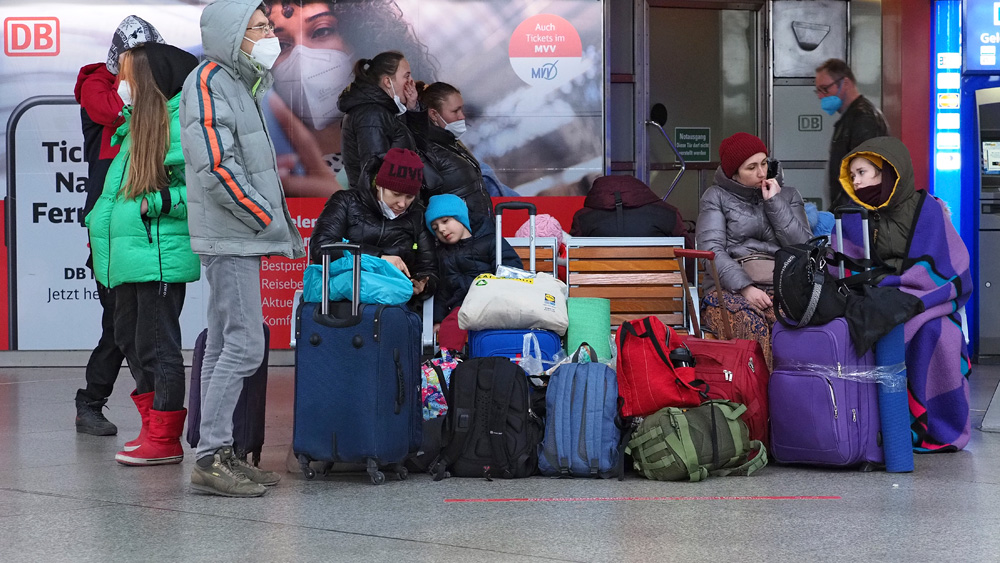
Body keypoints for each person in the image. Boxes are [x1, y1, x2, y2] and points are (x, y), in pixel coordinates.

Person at [180, 0, 306, 497]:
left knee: (225, 342)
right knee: (247, 344)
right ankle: (212, 457)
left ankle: (217, 450)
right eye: (258, 27)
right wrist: (262, 216)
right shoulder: (208, 82)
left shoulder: (239, 83)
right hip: (232, 234)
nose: (269, 34)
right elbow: (215, 165)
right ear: (231, 34)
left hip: (235, 233)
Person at [86, 43, 200, 466]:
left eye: (127, 77)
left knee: (157, 346)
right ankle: (152, 429)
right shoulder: (135, 126)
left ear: (150, 81)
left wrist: (163, 201)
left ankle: (165, 438)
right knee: (129, 340)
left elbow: (203, 190)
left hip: (158, 254)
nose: (121, 86)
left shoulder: (182, 126)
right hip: (129, 255)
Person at [838, 136, 972, 452]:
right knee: (879, 325)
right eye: (853, 175)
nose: (856, 182)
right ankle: (885, 425)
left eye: (863, 173)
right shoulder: (852, 217)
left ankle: (936, 426)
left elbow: (952, 266)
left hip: (927, 300)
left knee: (941, 336)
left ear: (887, 173)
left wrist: (904, 288)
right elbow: (842, 267)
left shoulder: (930, 211)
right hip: (876, 300)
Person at [72, 15, 164, 437]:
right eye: (137, 57)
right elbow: (110, 112)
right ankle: (138, 410)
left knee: (132, 323)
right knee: (120, 320)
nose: (145, 65)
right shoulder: (97, 83)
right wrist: (143, 96)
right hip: (108, 224)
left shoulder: (158, 93)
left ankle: (102, 402)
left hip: (146, 224)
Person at [262, 0, 437, 197]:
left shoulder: (415, 155)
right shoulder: (264, 171)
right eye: (281, 44)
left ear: (363, 41)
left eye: (321, 31)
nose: (301, 56)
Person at [695, 132, 812, 368]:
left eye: (764, 163)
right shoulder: (716, 197)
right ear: (734, 173)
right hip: (728, 289)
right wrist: (745, 288)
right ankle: (758, 401)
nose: (762, 173)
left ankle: (795, 398)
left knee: (796, 326)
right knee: (751, 324)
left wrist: (775, 203)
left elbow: (804, 247)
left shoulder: (787, 195)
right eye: (751, 167)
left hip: (781, 286)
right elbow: (711, 248)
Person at [309, 147, 437, 298]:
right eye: (396, 194)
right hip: (341, 301)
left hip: (393, 302)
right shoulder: (346, 202)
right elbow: (321, 248)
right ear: (379, 185)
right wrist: (379, 258)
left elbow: (429, 267)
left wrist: (423, 284)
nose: (402, 203)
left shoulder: (417, 215)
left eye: (410, 197)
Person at [424, 194, 521, 351]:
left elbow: (512, 266)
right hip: (462, 307)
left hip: (492, 300)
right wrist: (438, 320)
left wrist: (499, 288)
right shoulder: (442, 255)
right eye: (435, 228)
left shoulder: (490, 240)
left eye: (445, 221)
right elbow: (442, 291)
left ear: (460, 217)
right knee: (452, 323)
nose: (441, 229)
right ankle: (448, 361)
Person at [337, 50, 420, 190]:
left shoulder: (385, 111)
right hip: (383, 207)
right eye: (406, 76)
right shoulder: (372, 114)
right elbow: (375, 173)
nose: (411, 81)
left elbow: (416, 148)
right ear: (388, 81)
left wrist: (412, 109)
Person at [814, 58, 889, 209]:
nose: (821, 96)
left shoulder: (864, 119)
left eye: (825, 89)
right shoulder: (850, 119)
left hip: (857, 217)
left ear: (845, 83)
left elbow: (865, 177)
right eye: (818, 91)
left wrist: (842, 212)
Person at [416, 82, 493, 227]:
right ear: (433, 114)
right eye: (455, 111)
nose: (462, 116)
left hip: (479, 233)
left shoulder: (452, 143)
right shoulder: (427, 151)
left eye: (461, 109)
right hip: (459, 240)